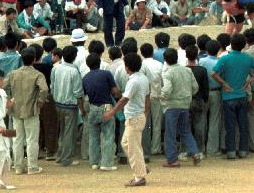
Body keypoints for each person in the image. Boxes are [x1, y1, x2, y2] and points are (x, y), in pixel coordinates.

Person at [211, 33, 254, 159]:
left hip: (228, 96)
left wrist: (224, 84)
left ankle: (231, 152)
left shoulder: (225, 58)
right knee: (243, 125)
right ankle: (243, 151)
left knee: (230, 126)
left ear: (231, 45)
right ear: (244, 45)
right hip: (242, 95)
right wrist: (249, 81)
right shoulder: (247, 58)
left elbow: (213, 73)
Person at [103, 53, 150, 188]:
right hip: (138, 116)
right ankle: (141, 168)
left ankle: (139, 177)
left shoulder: (133, 81)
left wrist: (112, 112)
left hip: (134, 117)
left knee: (132, 148)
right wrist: (146, 113)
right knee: (126, 144)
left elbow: (124, 99)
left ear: (127, 67)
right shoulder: (143, 78)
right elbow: (147, 97)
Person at [6, 47, 48, 176]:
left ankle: (18, 166)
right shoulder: (37, 74)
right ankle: (32, 167)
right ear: (34, 59)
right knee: (31, 139)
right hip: (32, 109)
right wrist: (40, 101)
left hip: (16, 110)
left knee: (17, 139)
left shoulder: (13, 73)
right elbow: (44, 89)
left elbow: (3, 86)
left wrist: (9, 100)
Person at [160, 48, 202, 167]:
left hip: (172, 106)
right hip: (185, 104)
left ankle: (172, 160)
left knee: (170, 133)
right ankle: (195, 152)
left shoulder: (168, 73)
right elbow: (195, 87)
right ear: (177, 58)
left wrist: (161, 96)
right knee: (185, 131)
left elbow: (167, 90)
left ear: (165, 60)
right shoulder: (187, 70)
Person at [82, 53, 120, 171]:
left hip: (92, 107)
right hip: (106, 107)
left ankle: (94, 162)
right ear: (100, 62)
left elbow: (84, 94)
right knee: (108, 136)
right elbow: (115, 92)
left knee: (93, 136)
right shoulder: (106, 74)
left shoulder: (85, 78)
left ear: (88, 65)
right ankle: (106, 163)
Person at [51, 45, 86, 167]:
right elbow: (78, 93)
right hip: (70, 106)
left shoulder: (56, 68)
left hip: (58, 104)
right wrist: (82, 109)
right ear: (74, 57)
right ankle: (66, 158)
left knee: (62, 131)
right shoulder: (74, 71)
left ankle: (60, 156)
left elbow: (52, 86)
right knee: (69, 133)